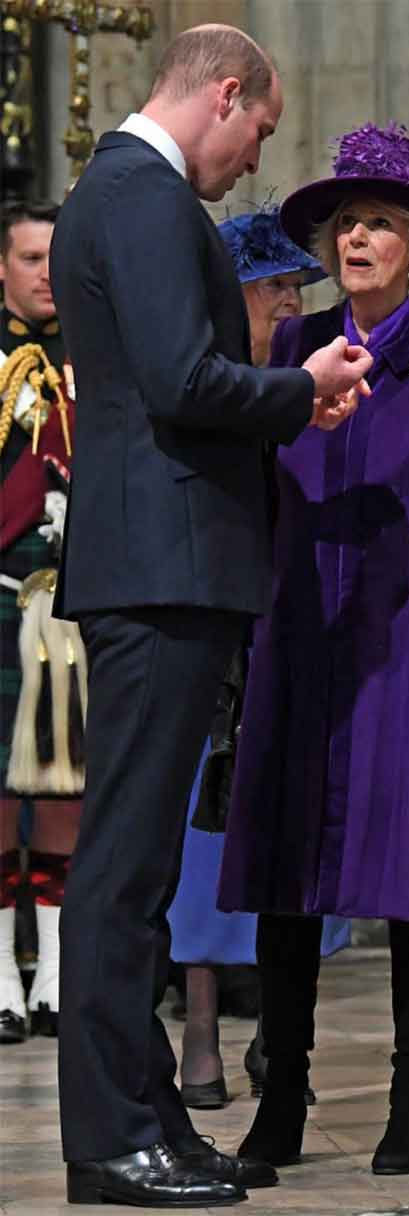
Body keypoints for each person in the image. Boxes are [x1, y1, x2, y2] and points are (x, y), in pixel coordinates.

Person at [49, 24, 371, 1208]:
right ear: (224, 95)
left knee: (135, 862)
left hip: (163, 561)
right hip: (158, 565)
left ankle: (151, 1121)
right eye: (260, 133)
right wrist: (306, 386)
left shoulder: (131, 192)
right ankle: (106, 1141)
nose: (251, 164)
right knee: (124, 866)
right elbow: (184, 381)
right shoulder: (142, 195)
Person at [217, 120, 409, 1177]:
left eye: (378, 223)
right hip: (300, 625)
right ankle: (283, 1097)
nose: (356, 238)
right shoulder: (289, 350)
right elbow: (257, 496)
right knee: (288, 870)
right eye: (346, 222)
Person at [166, 204, 351, 1112]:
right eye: (276, 286)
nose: (290, 301)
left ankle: (284, 1038)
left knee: (297, 838)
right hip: (218, 640)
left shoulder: (314, 377)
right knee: (205, 845)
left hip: (299, 623)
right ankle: (198, 1029)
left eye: (291, 286)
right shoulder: (207, 383)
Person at [0, 199, 80, 1046]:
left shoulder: (94, 352)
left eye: (56, 257)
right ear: (2, 266)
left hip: (72, 595)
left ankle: (56, 974)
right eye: (30, 258)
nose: (46, 272)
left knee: (65, 787)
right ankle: (0, 981)